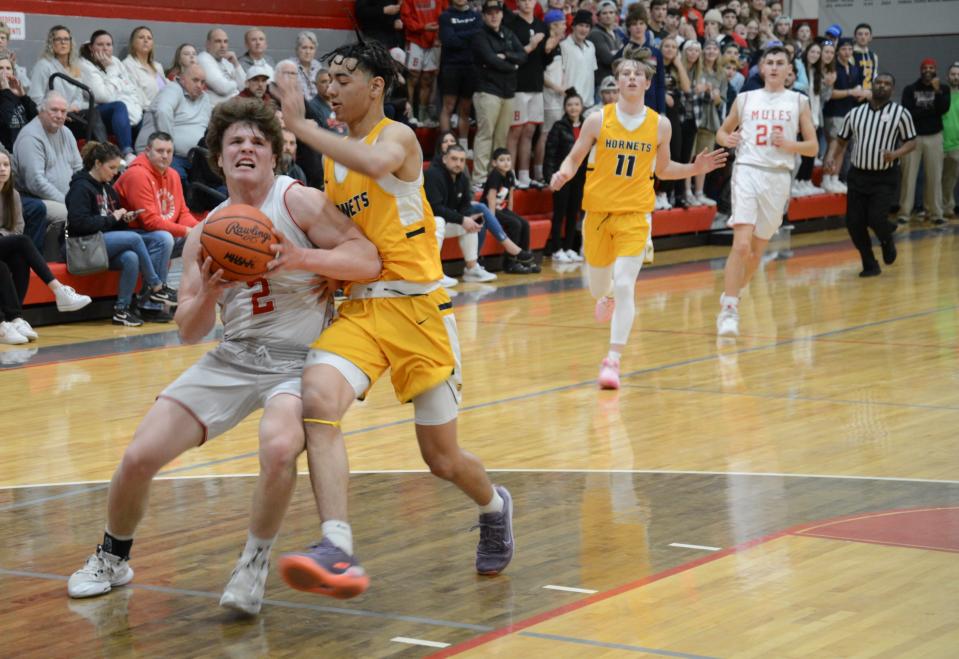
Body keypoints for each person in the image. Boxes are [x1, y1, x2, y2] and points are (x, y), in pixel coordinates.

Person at [65, 97, 381, 615]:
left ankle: (253, 562)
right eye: (236, 141)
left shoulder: (297, 201)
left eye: (258, 141)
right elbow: (190, 330)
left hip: (300, 359)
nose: (247, 148)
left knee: (280, 447)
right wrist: (210, 290)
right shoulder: (204, 233)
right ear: (218, 155)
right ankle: (113, 556)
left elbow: (366, 258)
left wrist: (298, 257)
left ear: (274, 155)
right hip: (234, 355)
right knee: (138, 456)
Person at [273, 40, 516, 598]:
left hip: (418, 310)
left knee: (442, 458)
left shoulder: (397, 137)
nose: (330, 87)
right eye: (325, 79)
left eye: (342, 77)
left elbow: (377, 164)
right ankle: (336, 545)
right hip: (361, 309)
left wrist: (301, 124)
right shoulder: (334, 159)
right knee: (318, 399)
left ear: (377, 85)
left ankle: (494, 504)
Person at [550, 45, 727, 388]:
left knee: (626, 283)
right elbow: (573, 159)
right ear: (616, 82)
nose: (631, 78)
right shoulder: (598, 119)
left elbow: (663, 168)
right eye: (625, 74)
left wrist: (694, 167)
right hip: (598, 212)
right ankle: (606, 297)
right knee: (600, 286)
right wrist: (563, 173)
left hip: (636, 214)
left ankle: (612, 360)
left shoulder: (660, 125)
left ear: (647, 82)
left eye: (637, 74)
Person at [714, 45, 817, 337]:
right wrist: (728, 139)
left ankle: (731, 293)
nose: (773, 67)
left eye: (779, 63)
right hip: (747, 170)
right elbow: (722, 132)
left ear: (789, 71)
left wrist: (790, 145)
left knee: (757, 251)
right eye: (769, 62)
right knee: (742, 245)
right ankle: (730, 308)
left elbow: (813, 147)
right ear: (761, 68)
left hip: (778, 177)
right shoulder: (745, 99)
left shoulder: (799, 101)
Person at [65, 141, 178, 326]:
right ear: (97, 164)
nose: (115, 173)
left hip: (103, 242)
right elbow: (79, 224)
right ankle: (156, 286)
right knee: (133, 239)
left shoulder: (108, 189)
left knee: (134, 255)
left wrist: (123, 218)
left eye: (117, 168)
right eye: (111, 167)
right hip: (82, 245)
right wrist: (112, 219)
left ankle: (122, 310)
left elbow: (113, 221)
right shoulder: (80, 187)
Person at [825, 73, 915, 277]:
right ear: (872, 86)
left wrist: (895, 154)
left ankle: (886, 239)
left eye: (887, 84)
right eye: (879, 83)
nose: (882, 86)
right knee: (854, 224)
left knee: (876, 218)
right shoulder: (855, 113)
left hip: (885, 176)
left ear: (892, 89)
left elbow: (911, 142)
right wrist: (831, 157)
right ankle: (869, 263)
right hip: (858, 175)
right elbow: (840, 140)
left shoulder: (901, 113)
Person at [0, 146, 91, 344]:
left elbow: (17, 228)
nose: (2, 169)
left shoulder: (12, 195)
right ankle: (59, 291)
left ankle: (14, 319)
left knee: (18, 259)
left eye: (6, 164)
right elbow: (17, 236)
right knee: (23, 243)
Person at [471, 0, 527, 188]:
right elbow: (490, 59)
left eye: (497, 12)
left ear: (502, 14)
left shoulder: (508, 34)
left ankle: (495, 178)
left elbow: (523, 55)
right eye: (490, 13)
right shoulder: (479, 36)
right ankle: (479, 179)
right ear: (484, 15)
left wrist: (508, 56)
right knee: (485, 134)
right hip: (487, 90)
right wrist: (513, 65)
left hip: (507, 92)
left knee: (501, 137)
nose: (494, 16)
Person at [12, 91, 82, 238]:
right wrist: (68, 201)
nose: (59, 115)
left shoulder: (67, 132)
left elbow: (78, 169)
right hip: (36, 199)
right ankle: (62, 257)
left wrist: (79, 197)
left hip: (66, 198)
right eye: (54, 110)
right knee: (70, 214)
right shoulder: (30, 137)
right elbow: (35, 182)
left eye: (63, 111)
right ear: (41, 110)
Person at [425, 144, 497, 283]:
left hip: (441, 225)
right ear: (445, 159)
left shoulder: (462, 178)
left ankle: (472, 269)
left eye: (462, 160)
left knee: (470, 224)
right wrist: (462, 219)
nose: (458, 163)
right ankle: (433, 274)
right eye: (454, 159)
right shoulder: (432, 175)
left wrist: (469, 217)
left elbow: (464, 205)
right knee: (439, 220)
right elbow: (435, 208)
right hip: (422, 226)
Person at [114, 131, 199, 243]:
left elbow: (182, 213)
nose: (165, 156)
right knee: (166, 238)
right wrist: (187, 231)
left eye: (169, 151)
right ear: (148, 151)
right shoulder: (137, 174)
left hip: (156, 230)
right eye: (160, 151)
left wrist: (198, 228)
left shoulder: (174, 174)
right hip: (131, 231)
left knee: (201, 236)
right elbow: (149, 222)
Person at [898, 58, 951, 225]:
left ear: (935, 70)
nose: (928, 70)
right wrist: (930, 110)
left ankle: (936, 213)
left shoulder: (943, 89)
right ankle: (904, 213)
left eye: (931, 68)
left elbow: (943, 109)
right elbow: (908, 113)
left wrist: (936, 92)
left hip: (934, 137)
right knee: (908, 177)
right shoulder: (910, 89)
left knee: (935, 176)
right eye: (925, 68)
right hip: (912, 137)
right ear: (920, 70)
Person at [79, 30, 143, 163]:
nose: (105, 48)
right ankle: (127, 151)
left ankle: (143, 154)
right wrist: (111, 69)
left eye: (108, 44)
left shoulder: (116, 61)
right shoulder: (85, 64)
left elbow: (130, 88)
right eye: (100, 44)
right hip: (96, 112)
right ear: (91, 47)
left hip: (122, 109)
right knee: (119, 106)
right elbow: (103, 97)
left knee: (144, 114)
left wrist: (134, 110)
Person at [544, 91, 587, 262]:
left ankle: (569, 248)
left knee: (573, 213)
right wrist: (550, 177)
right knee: (559, 213)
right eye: (569, 105)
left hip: (580, 177)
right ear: (565, 108)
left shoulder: (587, 126)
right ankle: (556, 249)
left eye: (576, 104)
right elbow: (550, 154)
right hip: (562, 176)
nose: (573, 108)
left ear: (581, 107)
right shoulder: (558, 127)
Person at [483, 147, 540, 273]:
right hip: (490, 210)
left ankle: (524, 260)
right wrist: (491, 219)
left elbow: (511, 194)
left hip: (502, 209)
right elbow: (490, 197)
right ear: (494, 163)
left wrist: (511, 212)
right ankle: (509, 264)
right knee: (515, 224)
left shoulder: (510, 174)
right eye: (502, 160)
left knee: (524, 224)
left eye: (508, 160)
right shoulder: (495, 175)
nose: (506, 163)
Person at [438, 0, 482, 145]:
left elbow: (479, 37)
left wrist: (459, 35)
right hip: (451, 65)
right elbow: (449, 40)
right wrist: (470, 35)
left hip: (471, 66)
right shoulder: (445, 16)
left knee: (466, 108)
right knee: (448, 106)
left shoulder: (476, 16)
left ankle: (463, 145)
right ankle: (445, 144)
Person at [198, 28, 245, 106]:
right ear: (208, 44)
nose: (223, 45)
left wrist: (236, 63)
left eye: (225, 41)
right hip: (217, 111)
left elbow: (244, 87)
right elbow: (223, 88)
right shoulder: (203, 58)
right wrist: (235, 82)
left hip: (234, 107)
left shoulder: (227, 61)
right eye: (218, 41)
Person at [122, 26, 166, 109]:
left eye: (149, 38)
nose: (146, 40)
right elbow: (138, 97)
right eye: (141, 37)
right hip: (145, 112)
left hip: (162, 110)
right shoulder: (127, 65)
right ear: (133, 43)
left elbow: (164, 90)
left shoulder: (157, 66)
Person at [0, 53, 36, 152]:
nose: (4, 72)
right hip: (7, 154)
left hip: (27, 149)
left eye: (8, 68)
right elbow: (8, 122)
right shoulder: (6, 95)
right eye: (0, 68)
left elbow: (37, 120)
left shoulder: (15, 95)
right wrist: (5, 91)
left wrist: (23, 96)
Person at [943, 63, 959, 218]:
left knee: (950, 180)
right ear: (948, 77)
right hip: (939, 142)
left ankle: (948, 208)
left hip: (957, 145)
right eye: (953, 74)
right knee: (936, 180)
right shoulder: (941, 93)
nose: (955, 77)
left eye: (958, 74)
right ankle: (936, 209)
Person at [290, 31, 322, 101]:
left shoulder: (318, 66)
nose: (308, 52)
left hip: (317, 107)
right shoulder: (290, 66)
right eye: (304, 48)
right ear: (297, 49)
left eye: (311, 48)